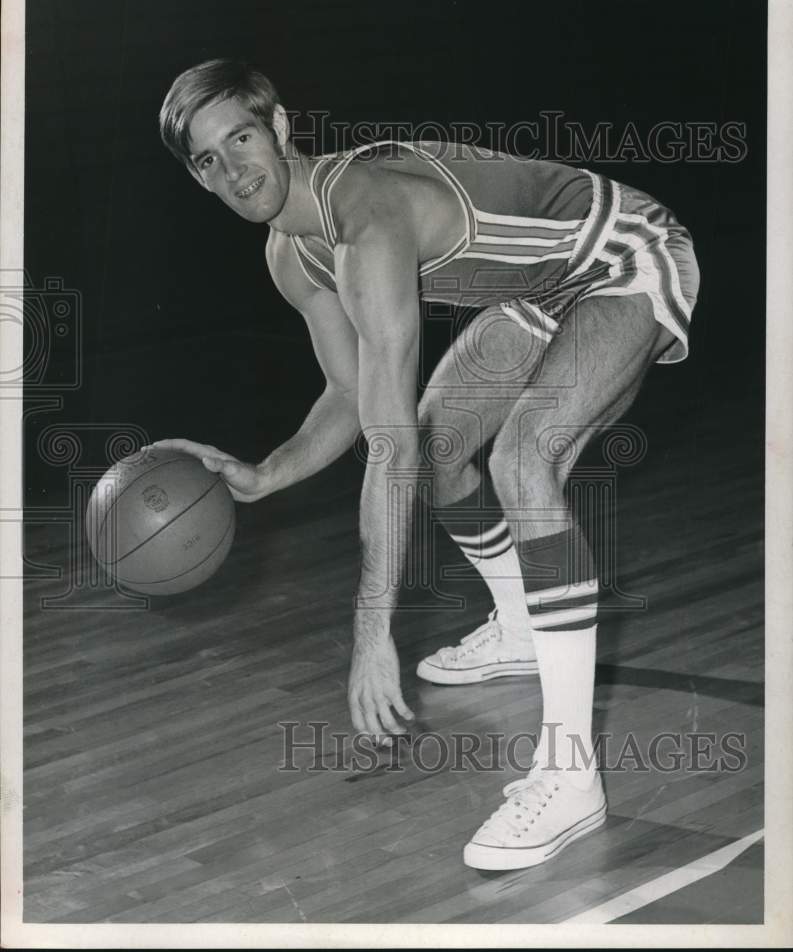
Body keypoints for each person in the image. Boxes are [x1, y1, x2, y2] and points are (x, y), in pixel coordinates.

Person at [152, 59, 699, 870]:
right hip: (544, 291)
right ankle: (518, 624)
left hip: (624, 253)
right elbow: (350, 394)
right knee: (445, 446)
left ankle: (570, 773)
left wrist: (372, 632)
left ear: (282, 128)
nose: (234, 170)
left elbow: (385, 441)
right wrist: (264, 474)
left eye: (240, 138)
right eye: (207, 160)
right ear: (198, 179)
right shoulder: (290, 255)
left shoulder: (364, 212)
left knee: (522, 460)